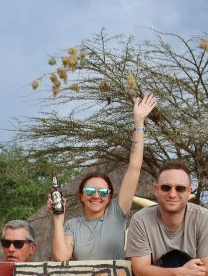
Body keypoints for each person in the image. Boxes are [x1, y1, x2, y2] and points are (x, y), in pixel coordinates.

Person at [49, 94, 157, 262]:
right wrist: (58, 218)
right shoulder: (72, 225)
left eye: (103, 192)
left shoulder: (117, 213)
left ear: (109, 197)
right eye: (90, 191)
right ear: (82, 195)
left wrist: (139, 123)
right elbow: (62, 257)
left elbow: (134, 168)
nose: (96, 196)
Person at [125, 160, 208, 276]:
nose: (172, 194)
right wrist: (180, 273)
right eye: (166, 187)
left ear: (189, 192)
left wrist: (158, 274)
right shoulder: (140, 220)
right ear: (156, 189)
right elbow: (140, 272)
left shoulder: (205, 218)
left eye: (180, 188)